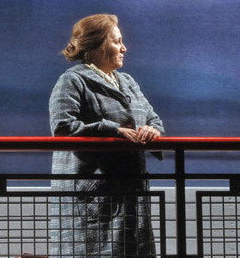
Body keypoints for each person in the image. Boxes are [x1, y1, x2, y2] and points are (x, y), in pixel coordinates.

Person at [49, 14, 164, 257]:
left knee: (131, 248)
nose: (124, 48)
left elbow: (152, 117)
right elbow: (62, 127)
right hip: (94, 191)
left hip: (130, 189)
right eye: (117, 41)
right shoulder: (72, 80)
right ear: (99, 46)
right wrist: (112, 130)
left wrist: (153, 130)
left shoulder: (128, 82)